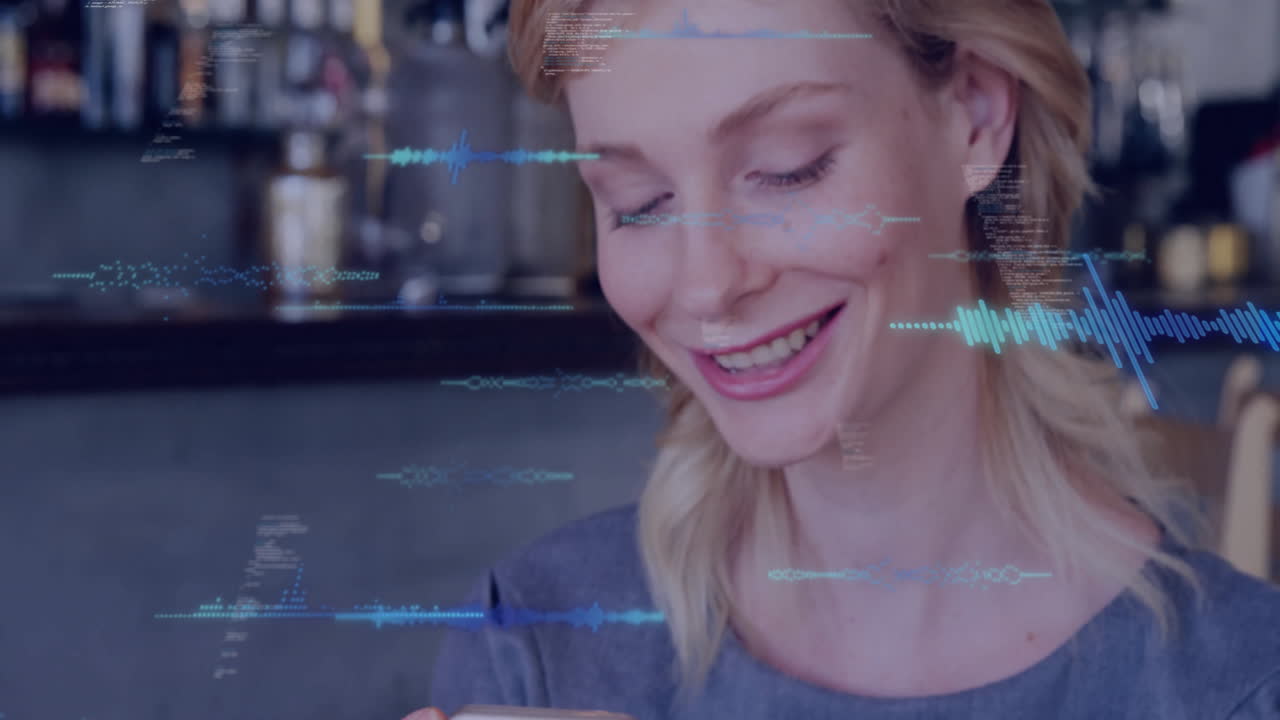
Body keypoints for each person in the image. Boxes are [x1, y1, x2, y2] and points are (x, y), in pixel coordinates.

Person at [404, 0, 1280, 718]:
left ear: (975, 115)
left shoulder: (1237, 684)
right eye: (639, 203)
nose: (708, 285)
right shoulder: (537, 649)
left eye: (789, 169)